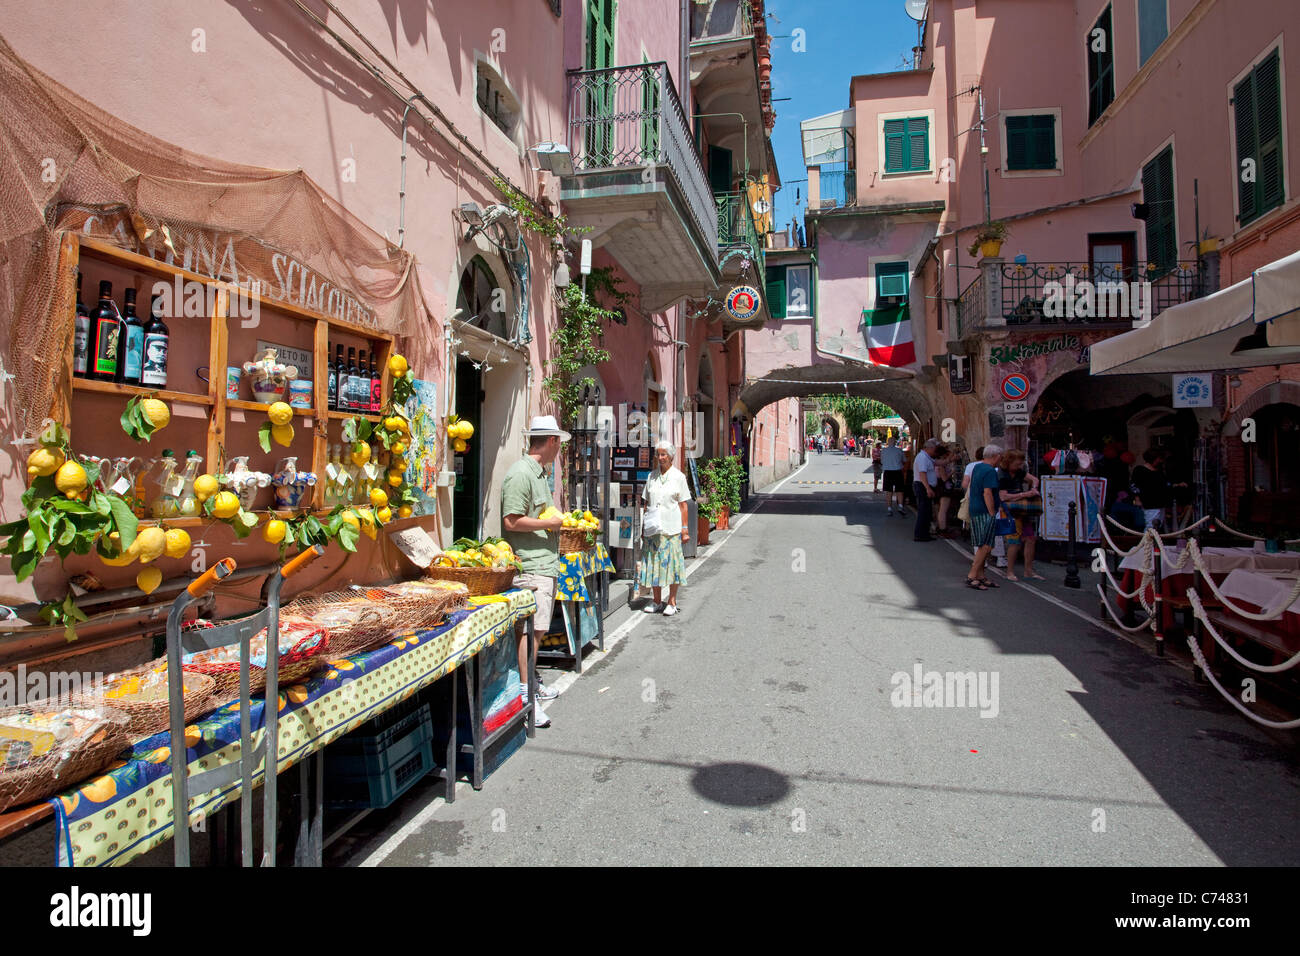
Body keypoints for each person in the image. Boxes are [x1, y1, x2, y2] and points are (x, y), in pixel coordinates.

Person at [501, 415, 570, 727]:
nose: (559, 449)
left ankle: (532, 684)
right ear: (552, 441)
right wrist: (550, 523)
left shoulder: (539, 474)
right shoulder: (520, 474)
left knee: (538, 632)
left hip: (544, 564)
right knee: (530, 634)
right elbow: (511, 521)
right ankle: (525, 698)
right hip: (529, 567)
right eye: (559, 444)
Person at [639, 440, 691, 615]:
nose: (660, 458)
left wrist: (685, 529)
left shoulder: (679, 477)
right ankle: (656, 600)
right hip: (653, 529)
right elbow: (646, 503)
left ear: (671, 457)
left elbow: (683, 505)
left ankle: (672, 602)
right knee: (654, 565)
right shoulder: (651, 476)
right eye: (658, 454)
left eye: (663, 454)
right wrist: (643, 528)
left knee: (672, 566)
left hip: (672, 528)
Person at [999, 449, 1044, 581]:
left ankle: (1028, 571)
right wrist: (1025, 494)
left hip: (1021, 508)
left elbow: (1034, 479)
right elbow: (1003, 496)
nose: (1019, 467)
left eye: (1020, 464)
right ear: (1008, 462)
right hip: (1008, 510)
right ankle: (1010, 571)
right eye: (1017, 464)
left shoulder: (1018, 472)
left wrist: (1034, 488)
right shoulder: (1002, 475)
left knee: (1030, 538)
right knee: (1014, 541)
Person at [965, 444, 1005, 591]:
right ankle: (972, 575)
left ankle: (981, 575)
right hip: (984, 510)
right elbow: (987, 492)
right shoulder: (990, 471)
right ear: (997, 456)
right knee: (986, 545)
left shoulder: (977, 467)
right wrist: (992, 511)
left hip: (975, 508)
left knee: (983, 544)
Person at [1130, 448, 1171, 531]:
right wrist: (1137, 499)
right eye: (1159, 459)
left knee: (1158, 526)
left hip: (1161, 503)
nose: (1160, 461)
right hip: (1150, 503)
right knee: (1150, 527)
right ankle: (1147, 543)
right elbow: (1134, 486)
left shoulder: (1159, 471)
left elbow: (1165, 483)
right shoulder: (1140, 470)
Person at [912, 438, 940, 542]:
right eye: (934, 449)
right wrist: (928, 488)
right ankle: (920, 534)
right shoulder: (923, 458)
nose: (935, 451)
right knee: (924, 511)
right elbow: (922, 474)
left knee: (926, 511)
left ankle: (924, 533)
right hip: (922, 486)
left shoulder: (926, 457)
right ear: (929, 448)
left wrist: (949, 460)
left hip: (923, 486)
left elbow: (937, 462)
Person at [934, 446, 961, 537]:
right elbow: (944, 478)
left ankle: (940, 526)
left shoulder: (936, 463)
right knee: (943, 509)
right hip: (944, 487)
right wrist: (952, 472)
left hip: (939, 486)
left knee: (939, 508)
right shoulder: (941, 465)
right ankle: (943, 528)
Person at [880, 436, 906, 515]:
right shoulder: (899, 450)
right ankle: (900, 506)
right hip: (897, 471)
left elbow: (881, 461)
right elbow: (904, 460)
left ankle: (889, 509)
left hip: (888, 472)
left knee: (889, 491)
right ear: (895, 442)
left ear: (888, 442)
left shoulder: (883, 451)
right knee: (899, 490)